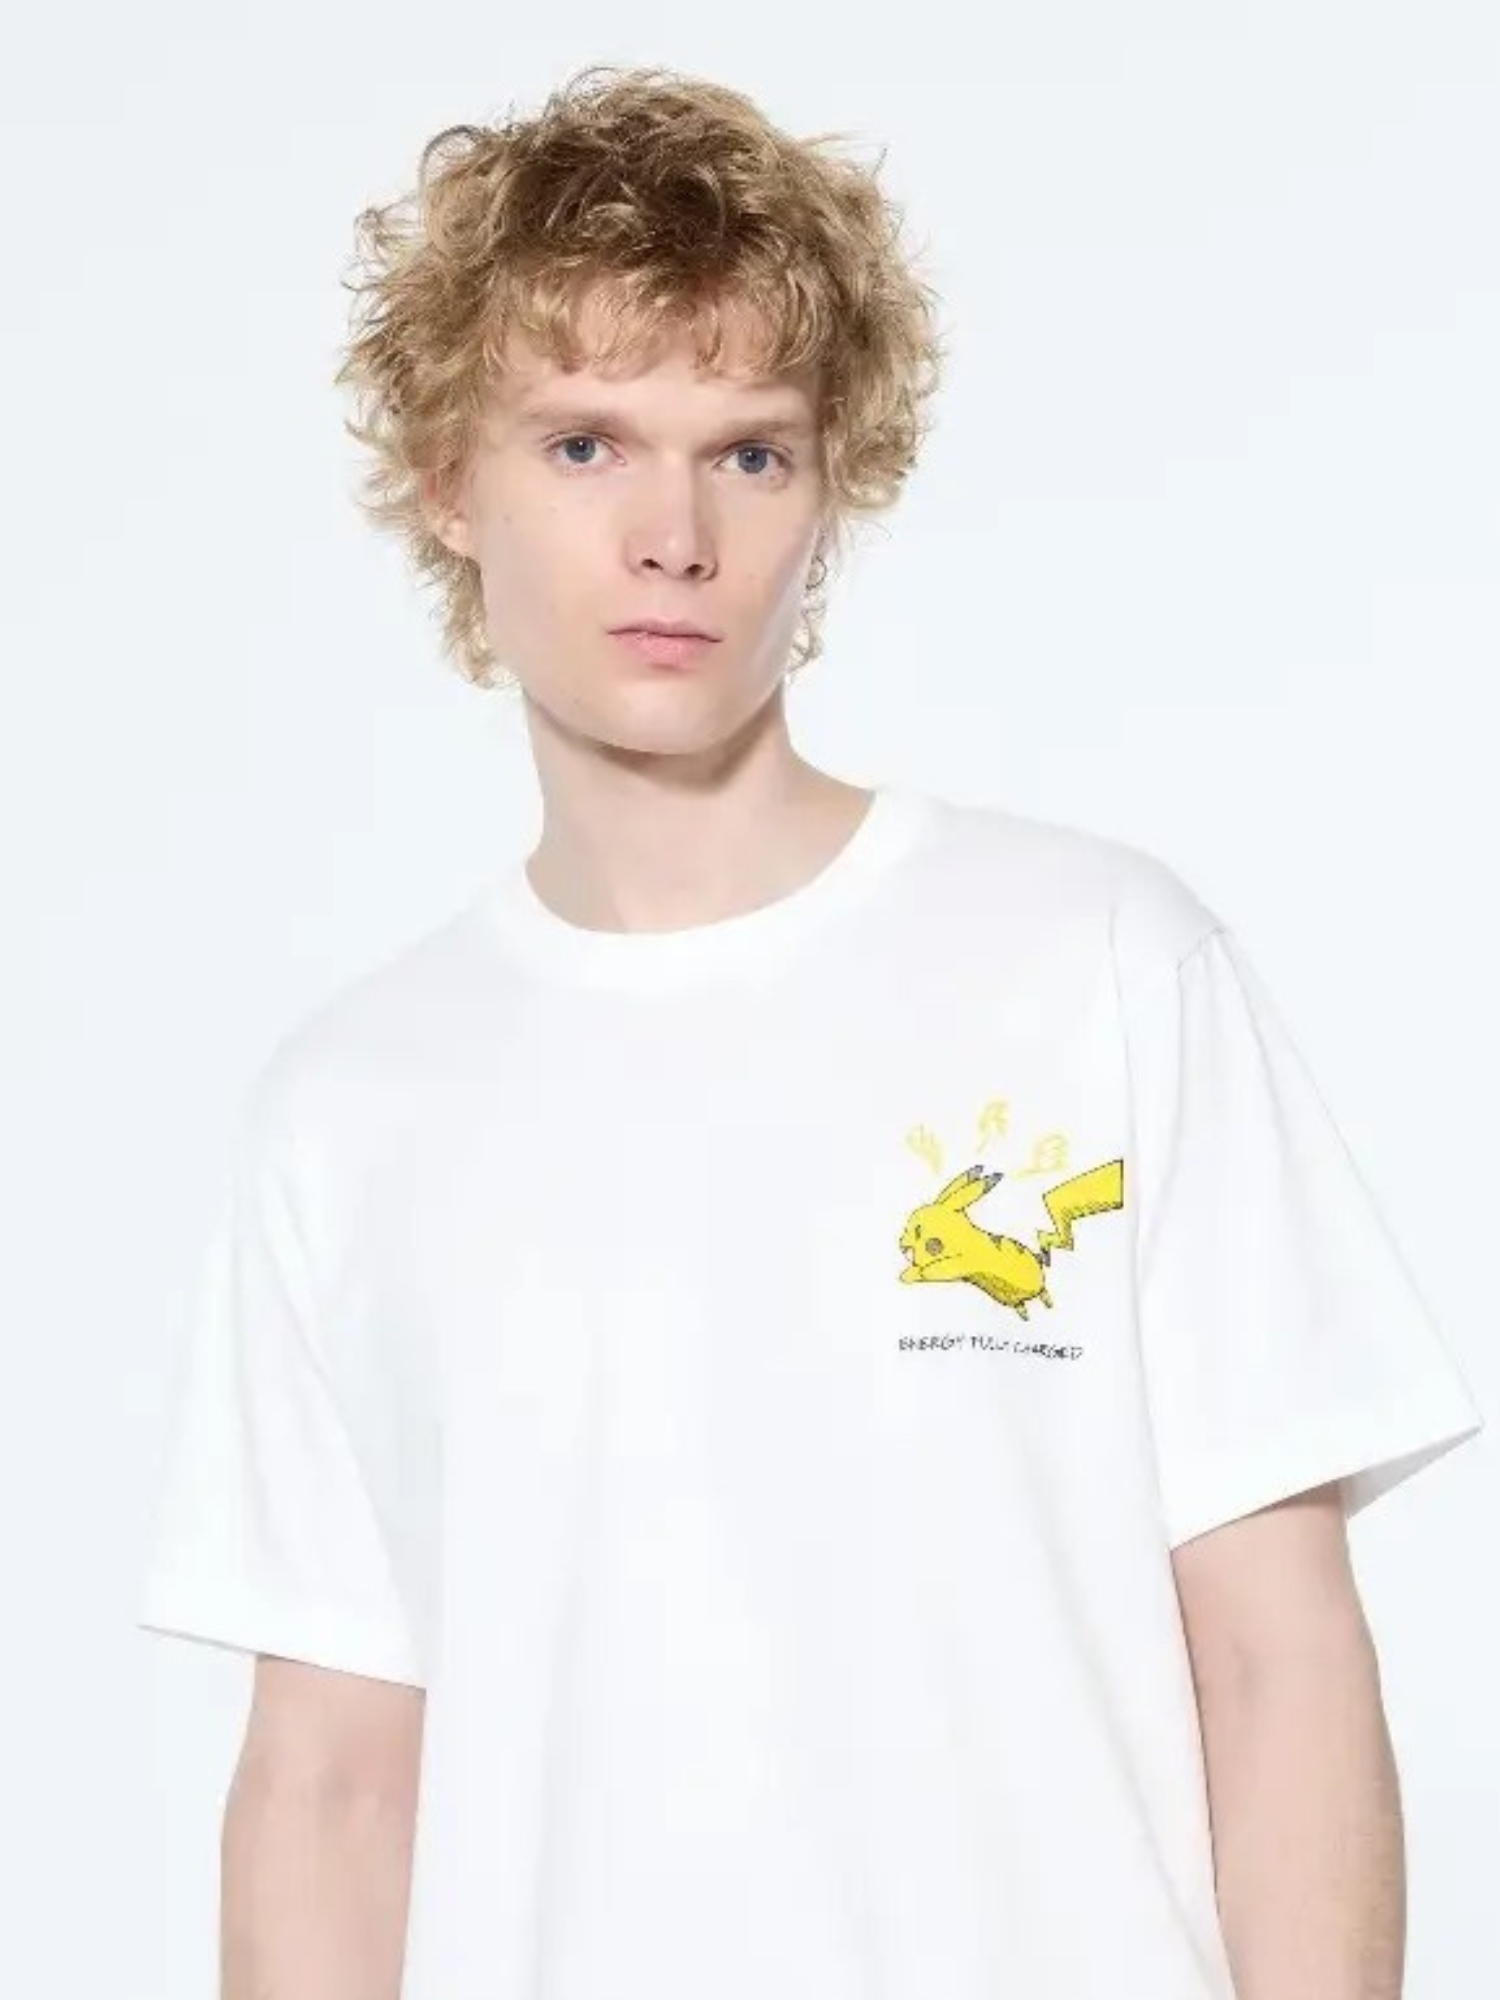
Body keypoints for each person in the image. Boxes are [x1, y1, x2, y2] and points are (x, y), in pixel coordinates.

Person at [137, 63, 1484, 2000]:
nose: (672, 534)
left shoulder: (1102, 966)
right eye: (586, 443)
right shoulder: (349, 1112)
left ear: (830, 485)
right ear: (448, 477)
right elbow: (330, 1787)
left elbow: (1280, 1660)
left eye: (750, 454)